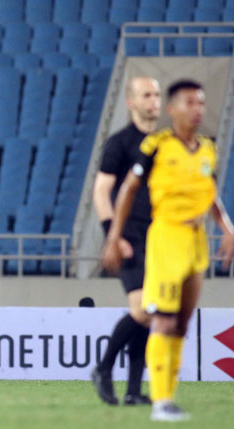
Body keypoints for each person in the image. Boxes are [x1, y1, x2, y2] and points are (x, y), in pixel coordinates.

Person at [102, 80, 234, 422]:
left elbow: (210, 194)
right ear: (173, 109)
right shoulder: (156, 146)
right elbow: (126, 189)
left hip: (196, 241)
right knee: (160, 316)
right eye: (190, 102)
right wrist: (113, 235)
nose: (198, 109)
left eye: (201, 103)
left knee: (182, 321)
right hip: (164, 237)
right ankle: (158, 400)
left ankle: (161, 396)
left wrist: (227, 228)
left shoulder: (208, 148)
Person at [91, 77, 161, 406]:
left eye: (158, 94)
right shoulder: (120, 143)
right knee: (143, 307)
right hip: (129, 234)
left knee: (151, 311)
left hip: (160, 236)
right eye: (147, 95)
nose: (154, 101)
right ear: (131, 102)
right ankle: (103, 369)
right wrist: (113, 236)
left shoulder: (165, 143)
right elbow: (102, 191)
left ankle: (134, 391)